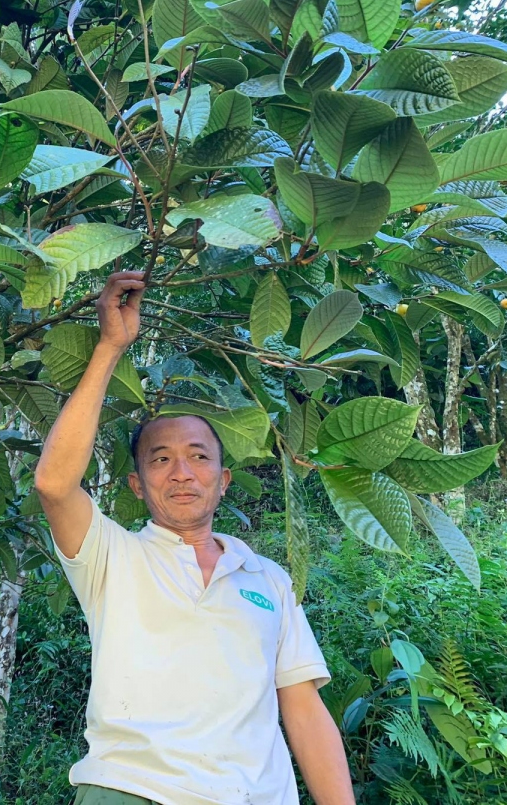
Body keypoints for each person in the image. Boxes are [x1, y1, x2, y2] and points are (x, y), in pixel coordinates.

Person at [33, 270, 356, 805]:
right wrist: (112, 346)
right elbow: (53, 482)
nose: (181, 473)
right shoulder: (112, 557)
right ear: (137, 484)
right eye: (161, 460)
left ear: (223, 480)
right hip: (130, 790)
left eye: (199, 457)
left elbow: (302, 710)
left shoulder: (268, 579)